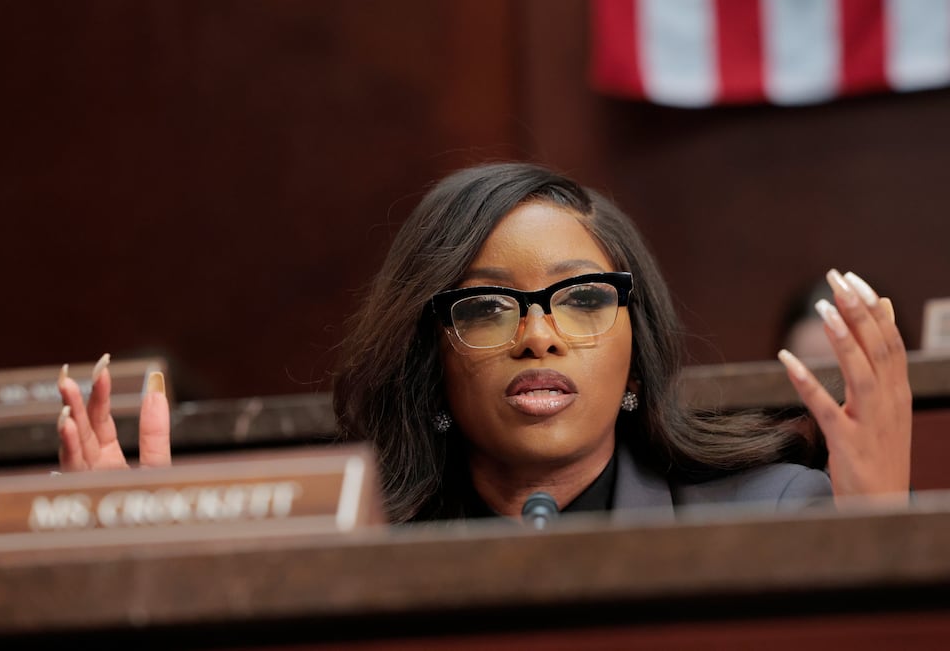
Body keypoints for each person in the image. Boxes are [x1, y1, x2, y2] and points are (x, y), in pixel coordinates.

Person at [56, 162, 913, 524]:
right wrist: (142, 576)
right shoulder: (340, 549)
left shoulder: (774, 514)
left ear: (634, 346)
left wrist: (875, 538)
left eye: (581, 300)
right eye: (487, 309)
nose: (538, 337)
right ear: (429, 356)